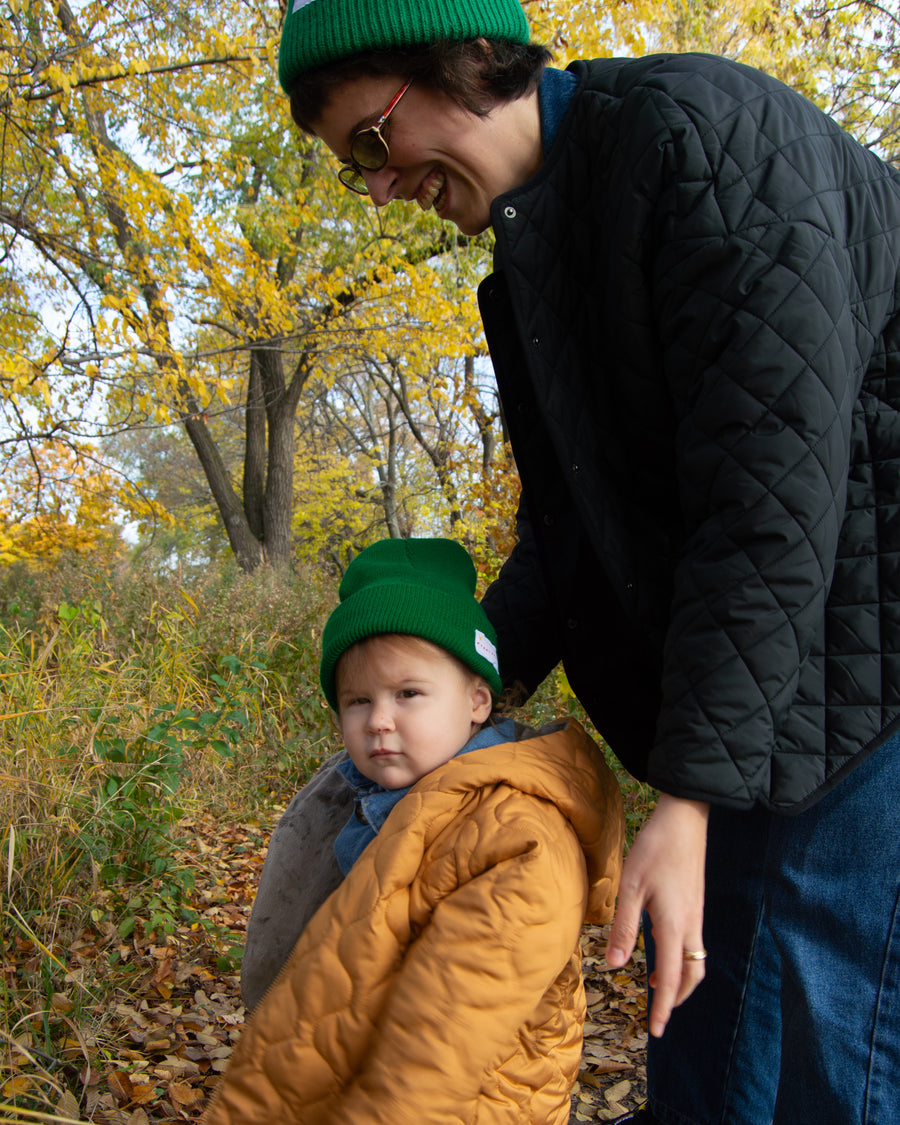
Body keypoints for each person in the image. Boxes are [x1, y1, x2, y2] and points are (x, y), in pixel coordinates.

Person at [241, 3, 900, 1122]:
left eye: (370, 142)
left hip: (858, 681)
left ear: (460, 62)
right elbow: (572, 536)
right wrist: (448, 687)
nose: (379, 188)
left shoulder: (703, 142)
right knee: (694, 1018)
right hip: (759, 686)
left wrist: (687, 799)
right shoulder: (547, 245)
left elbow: (771, 504)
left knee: (796, 1046)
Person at [205, 537, 625, 1125]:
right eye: (357, 701)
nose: (379, 720)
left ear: (477, 699)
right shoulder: (372, 796)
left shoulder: (517, 836)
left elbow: (440, 1044)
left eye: (408, 694)